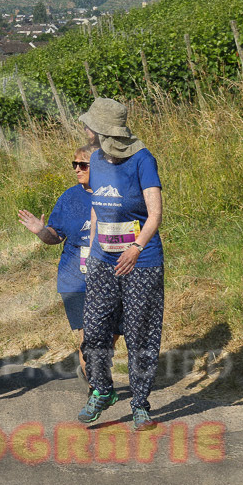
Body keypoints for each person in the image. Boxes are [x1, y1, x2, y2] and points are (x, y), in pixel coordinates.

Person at [77, 98, 164, 432]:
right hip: (103, 259)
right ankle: (102, 389)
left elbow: (154, 213)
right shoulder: (96, 160)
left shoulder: (143, 160)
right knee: (95, 327)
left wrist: (136, 247)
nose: (84, 130)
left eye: (89, 125)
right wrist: (92, 249)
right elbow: (98, 206)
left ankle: (140, 405)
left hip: (141, 261)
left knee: (140, 333)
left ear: (102, 131)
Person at [17, 145, 123, 389]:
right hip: (77, 278)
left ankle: (95, 366)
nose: (77, 169)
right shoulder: (69, 198)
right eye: (74, 164)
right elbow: (56, 236)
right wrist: (41, 231)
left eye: (83, 165)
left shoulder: (116, 193)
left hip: (112, 274)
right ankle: (97, 390)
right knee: (91, 337)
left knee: (110, 334)